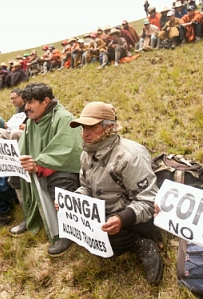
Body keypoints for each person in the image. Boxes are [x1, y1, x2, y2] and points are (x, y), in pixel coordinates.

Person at [66, 102, 164, 285]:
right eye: (82, 127)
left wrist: (121, 219)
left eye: (91, 127)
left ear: (109, 127)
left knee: (110, 237)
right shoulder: (87, 153)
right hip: (105, 212)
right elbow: (86, 186)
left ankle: (142, 244)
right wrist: (73, 200)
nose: (84, 133)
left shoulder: (130, 155)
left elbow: (150, 200)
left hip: (133, 217)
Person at [9, 82, 82, 257]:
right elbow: (22, 147)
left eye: (30, 103)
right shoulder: (33, 120)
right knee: (15, 179)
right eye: (25, 103)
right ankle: (31, 216)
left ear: (45, 101)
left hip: (62, 170)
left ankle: (65, 232)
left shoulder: (64, 118)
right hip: (38, 167)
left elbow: (70, 151)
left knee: (60, 182)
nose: (26, 107)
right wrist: (3, 159)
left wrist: (40, 165)